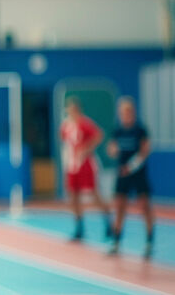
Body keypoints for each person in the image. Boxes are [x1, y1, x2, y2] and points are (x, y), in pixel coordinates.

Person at [107, 96, 154, 258]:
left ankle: (149, 241)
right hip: (122, 174)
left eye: (127, 111)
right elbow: (111, 148)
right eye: (122, 112)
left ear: (132, 112)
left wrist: (131, 166)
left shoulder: (140, 130)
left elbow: (145, 151)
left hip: (138, 173)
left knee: (144, 206)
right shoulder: (117, 131)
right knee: (119, 206)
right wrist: (112, 151)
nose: (125, 114)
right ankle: (116, 241)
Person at [59, 96, 111, 241]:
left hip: (85, 164)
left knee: (93, 194)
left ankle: (108, 222)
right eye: (69, 108)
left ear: (78, 108)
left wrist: (86, 149)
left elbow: (99, 135)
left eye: (73, 107)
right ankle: (79, 227)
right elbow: (65, 142)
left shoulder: (84, 123)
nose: (71, 110)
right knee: (73, 195)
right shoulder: (66, 126)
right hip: (72, 165)